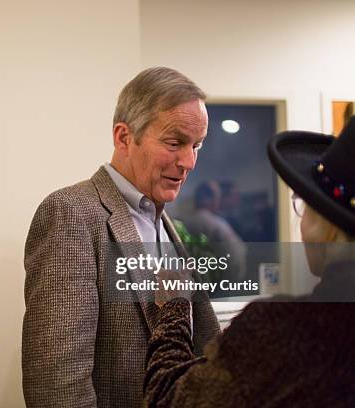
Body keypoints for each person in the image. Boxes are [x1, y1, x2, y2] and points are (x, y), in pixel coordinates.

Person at [22, 67, 220, 407]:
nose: (188, 161)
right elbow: (57, 382)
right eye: (175, 143)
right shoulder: (70, 213)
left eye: (196, 145)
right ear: (124, 137)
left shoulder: (166, 221)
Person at [144, 118, 355, 406]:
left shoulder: (282, 332)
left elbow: (168, 399)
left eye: (304, 206)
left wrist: (174, 308)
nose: (188, 162)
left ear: (328, 226)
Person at [181, 180, 247, 280]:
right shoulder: (218, 226)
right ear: (207, 199)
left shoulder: (181, 223)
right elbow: (236, 259)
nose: (219, 202)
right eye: (218, 197)